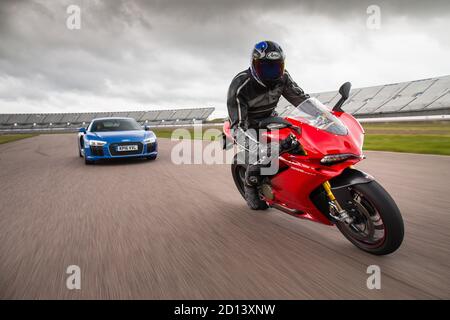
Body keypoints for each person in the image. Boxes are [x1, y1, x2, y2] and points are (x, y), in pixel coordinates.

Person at [227, 40, 310, 209]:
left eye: (276, 67)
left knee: (299, 141)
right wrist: (262, 149)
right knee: (263, 156)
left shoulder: (283, 77)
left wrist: (325, 115)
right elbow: (238, 128)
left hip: (270, 118)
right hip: (247, 125)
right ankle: (251, 185)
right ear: (254, 65)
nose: (272, 72)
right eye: (266, 67)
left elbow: (302, 100)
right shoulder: (240, 85)